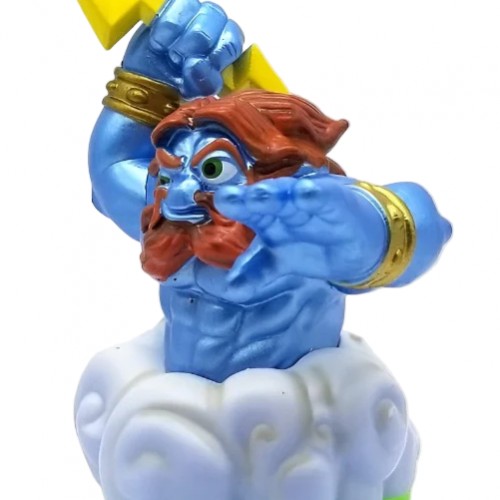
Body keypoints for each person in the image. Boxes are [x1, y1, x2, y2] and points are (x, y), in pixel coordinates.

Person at [90, 0, 451, 383]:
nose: (182, 192)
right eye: (169, 172)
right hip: (174, 407)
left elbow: (427, 227)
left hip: (301, 414)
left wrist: (371, 230)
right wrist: (151, 71)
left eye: (213, 169)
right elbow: (113, 167)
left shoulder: (296, 227)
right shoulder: (172, 214)